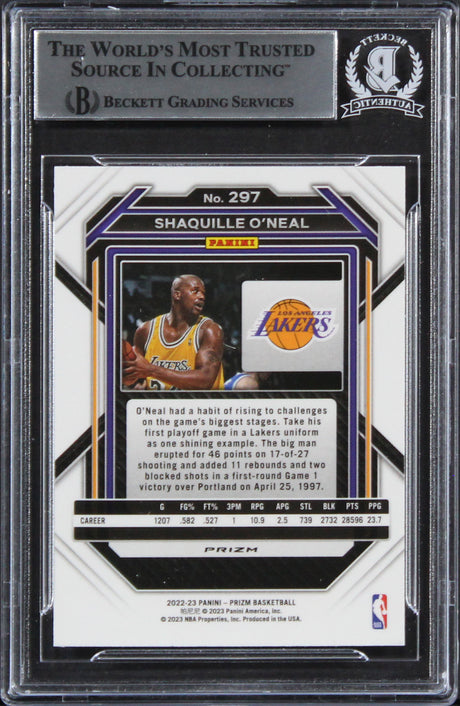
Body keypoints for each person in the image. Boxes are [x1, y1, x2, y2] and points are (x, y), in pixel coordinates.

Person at [123, 274, 224, 390]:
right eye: (195, 291)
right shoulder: (146, 331)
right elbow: (136, 376)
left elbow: (205, 380)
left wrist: (151, 370)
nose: (201, 296)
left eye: (203, 293)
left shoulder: (209, 330)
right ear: (177, 295)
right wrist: (133, 381)